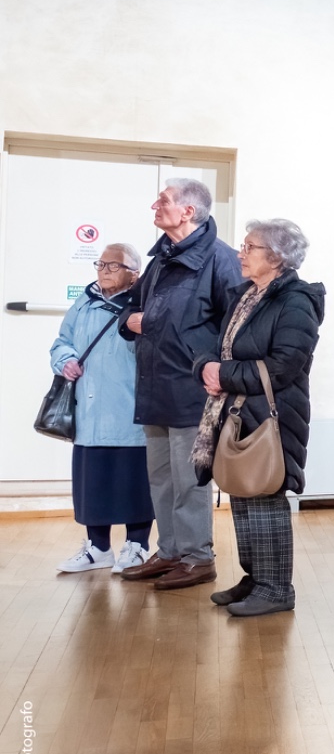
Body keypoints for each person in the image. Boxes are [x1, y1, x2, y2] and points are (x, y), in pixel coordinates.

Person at [192, 220, 324, 617]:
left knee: (265, 497)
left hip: (274, 416)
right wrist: (206, 367)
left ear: (277, 257)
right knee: (243, 495)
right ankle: (256, 578)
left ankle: (276, 588)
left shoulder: (296, 302)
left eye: (250, 247)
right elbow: (220, 349)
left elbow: (284, 365)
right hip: (239, 410)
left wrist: (224, 374)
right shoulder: (247, 295)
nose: (241, 254)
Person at [118, 179, 243, 591]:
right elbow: (131, 308)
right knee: (161, 477)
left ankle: (197, 557)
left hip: (194, 389)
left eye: (164, 200)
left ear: (188, 211)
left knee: (189, 479)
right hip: (154, 385)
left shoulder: (221, 260)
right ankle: (170, 551)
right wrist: (130, 321)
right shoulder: (160, 259)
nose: (155, 206)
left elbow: (236, 325)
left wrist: (220, 372)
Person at [52, 244, 155, 575]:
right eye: (101, 264)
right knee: (92, 483)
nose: (104, 270)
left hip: (130, 410)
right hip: (89, 412)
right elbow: (61, 343)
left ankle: (137, 546)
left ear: (134, 274)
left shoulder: (143, 304)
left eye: (113, 265)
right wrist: (65, 360)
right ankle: (98, 549)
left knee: (134, 483)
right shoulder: (83, 302)